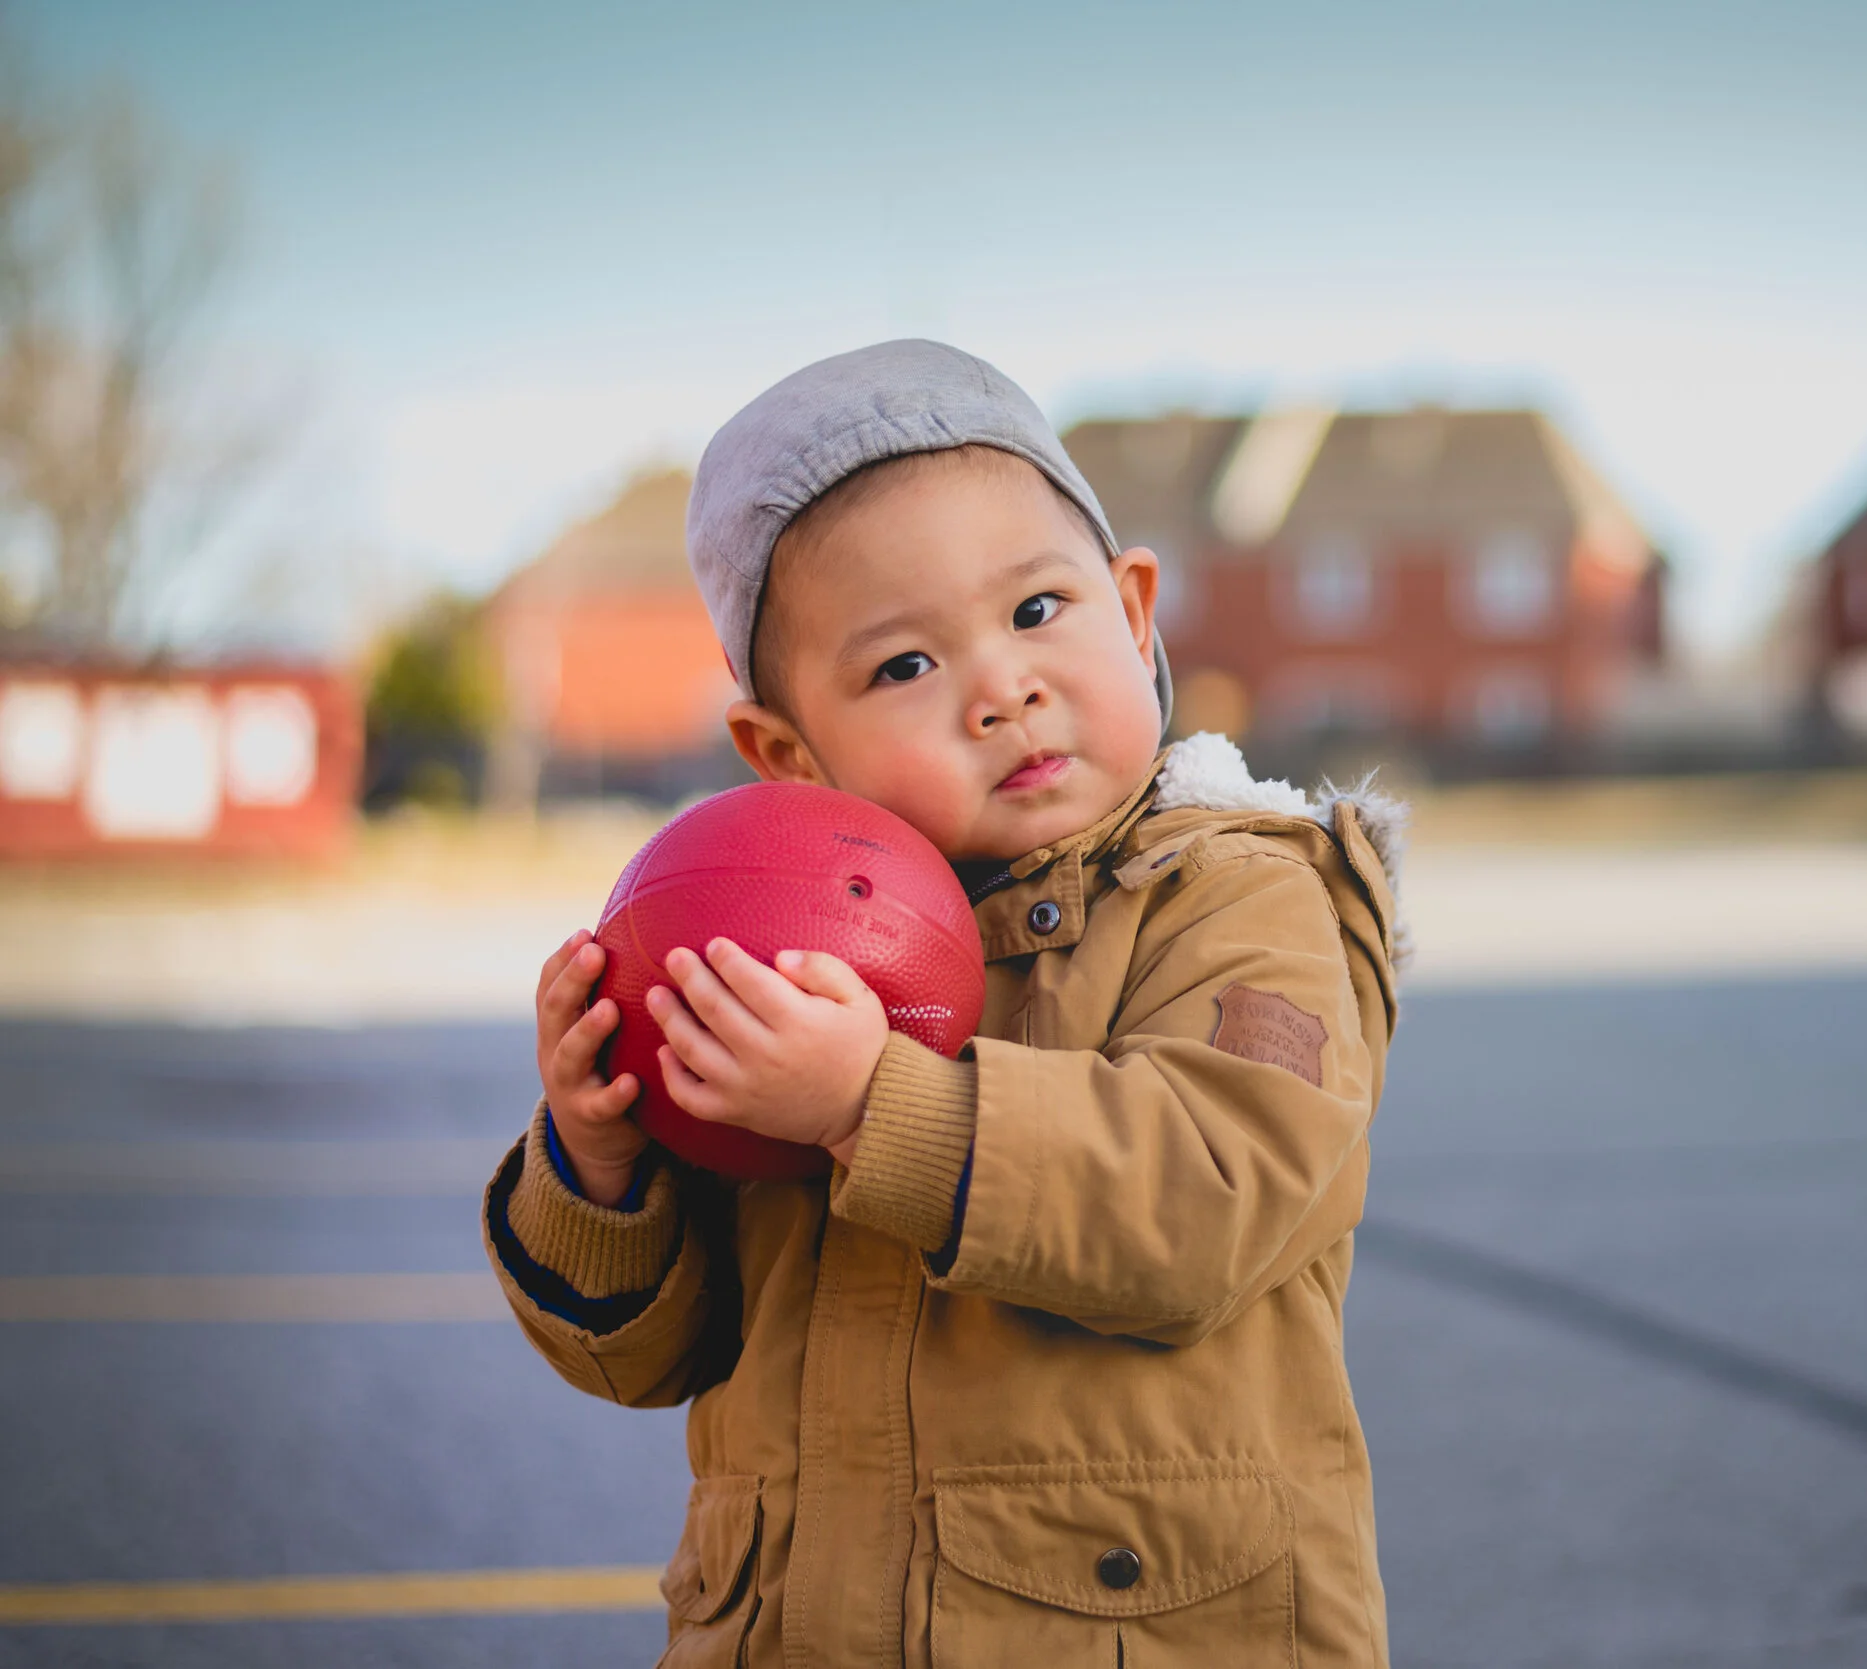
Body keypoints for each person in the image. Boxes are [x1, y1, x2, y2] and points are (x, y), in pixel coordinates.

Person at [484, 339, 1406, 1668]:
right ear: (789, 755)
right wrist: (602, 1160)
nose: (1001, 688)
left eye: (1039, 613)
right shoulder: (773, 968)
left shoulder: (1243, 895)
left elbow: (1207, 1196)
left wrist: (876, 1104)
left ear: (1136, 615)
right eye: (905, 666)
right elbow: (641, 1360)